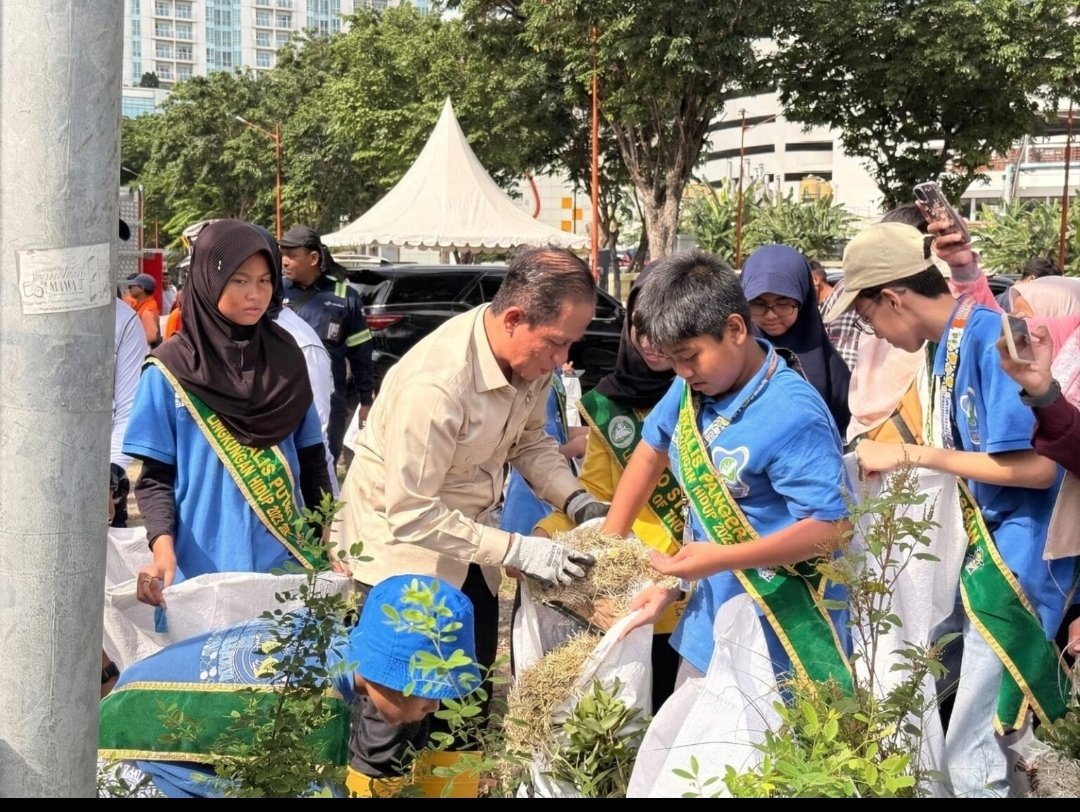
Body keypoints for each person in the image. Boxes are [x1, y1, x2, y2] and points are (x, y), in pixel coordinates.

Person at [331, 246, 604, 783]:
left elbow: (531, 443)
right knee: (394, 718)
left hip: (469, 554)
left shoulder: (528, 363)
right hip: (401, 562)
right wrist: (520, 549)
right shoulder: (437, 385)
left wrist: (578, 502)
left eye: (571, 342)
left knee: (463, 709)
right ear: (514, 318)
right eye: (557, 343)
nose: (562, 359)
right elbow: (410, 514)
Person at [826, 222, 1073, 797]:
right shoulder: (948, 346)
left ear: (893, 298)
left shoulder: (990, 340)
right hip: (983, 550)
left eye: (869, 320)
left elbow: (1039, 470)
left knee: (972, 747)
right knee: (985, 735)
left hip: (1017, 562)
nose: (874, 335)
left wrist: (913, 454)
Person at [603, 250, 853, 696]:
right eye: (673, 360)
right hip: (707, 623)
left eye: (690, 356)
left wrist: (721, 558)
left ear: (736, 329)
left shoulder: (793, 413)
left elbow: (831, 528)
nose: (681, 372)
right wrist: (610, 545)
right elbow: (650, 450)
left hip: (779, 629)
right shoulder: (691, 385)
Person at [98, 573, 482, 798]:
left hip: (131, 708)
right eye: (430, 691)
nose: (434, 707)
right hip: (132, 764)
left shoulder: (327, 640)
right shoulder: (314, 707)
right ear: (390, 676)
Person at [123, 220, 333, 614]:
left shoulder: (288, 357)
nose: (255, 295)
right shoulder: (170, 369)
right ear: (208, 280)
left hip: (283, 568)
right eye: (239, 281)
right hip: (201, 572)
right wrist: (162, 550)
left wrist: (323, 542)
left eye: (265, 280)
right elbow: (155, 479)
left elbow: (312, 460)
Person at [532, 261, 685, 711]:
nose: (652, 341)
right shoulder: (605, 405)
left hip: (701, 588)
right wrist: (545, 532)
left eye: (665, 327)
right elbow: (597, 496)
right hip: (635, 593)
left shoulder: (713, 395)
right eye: (641, 326)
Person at [279, 225, 374, 463]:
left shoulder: (344, 296)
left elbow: (361, 353)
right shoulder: (274, 292)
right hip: (280, 396)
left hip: (329, 402)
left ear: (313, 258)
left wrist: (366, 401)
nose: (284, 261)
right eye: (283, 254)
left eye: (291, 255)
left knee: (323, 464)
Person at [740, 244, 852, 435]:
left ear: (803, 301)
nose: (771, 316)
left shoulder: (831, 369)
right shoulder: (732, 357)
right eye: (758, 305)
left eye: (783, 304)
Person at [123, 272, 162, 348]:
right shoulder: (142, 305)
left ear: (141, 288)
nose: (129, 288)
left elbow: (151, 337)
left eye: (131, 286)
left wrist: (131, 345)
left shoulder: (146, 312)